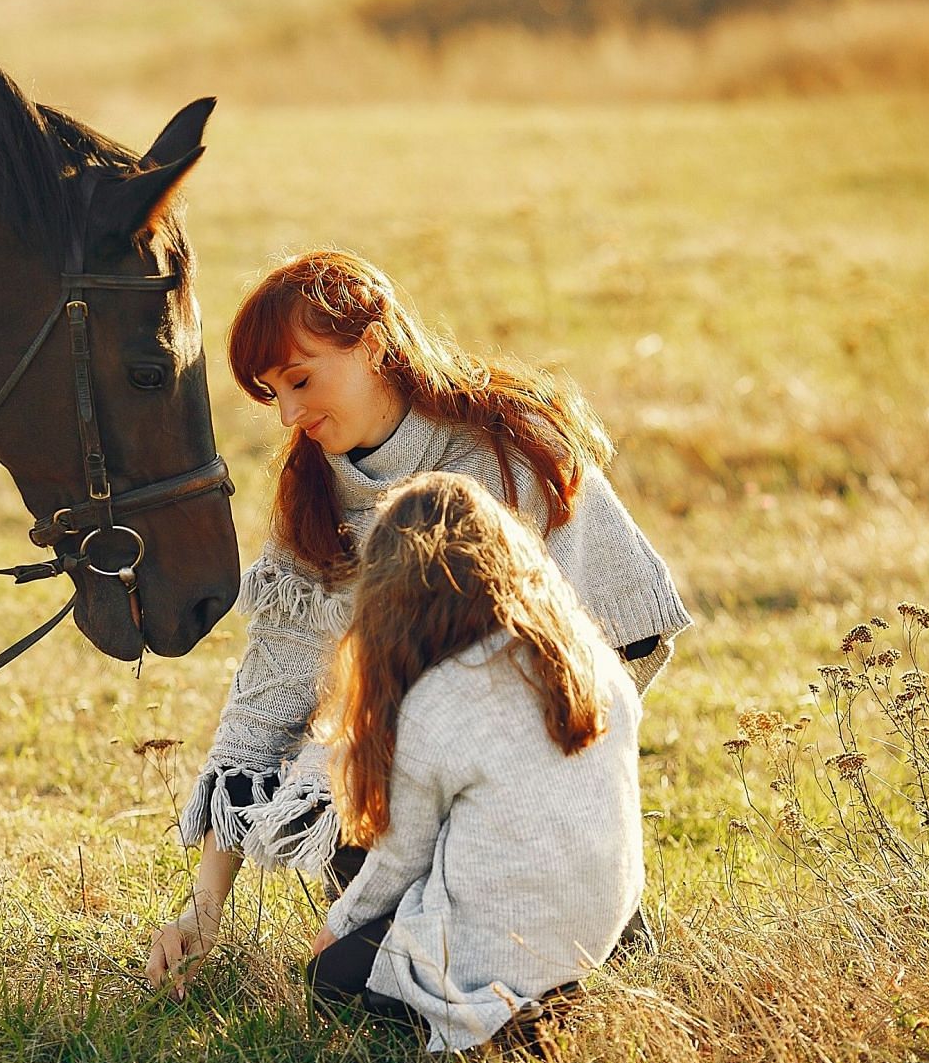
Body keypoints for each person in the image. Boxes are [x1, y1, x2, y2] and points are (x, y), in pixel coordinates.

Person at [144, 249, 688, 1000]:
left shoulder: (512, 445)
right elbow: (266, 703)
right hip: (416, 776)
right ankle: (464, 946)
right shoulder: (311, 495)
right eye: (272, 394)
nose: (291, 416)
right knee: (339, 797)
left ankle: (576, 927)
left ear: (372, 343)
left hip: (536, 777)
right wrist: (202, 914)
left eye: (301, 380)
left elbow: (623, 643)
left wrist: (536, 785)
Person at [304, 472, 646, 1050]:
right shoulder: (592, 662)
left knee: (330, 976)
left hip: (497, 952)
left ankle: (498, 1008)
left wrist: (333, 933)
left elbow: (398, 863)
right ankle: (555, 986)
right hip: (599, 926)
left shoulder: (440, 700)